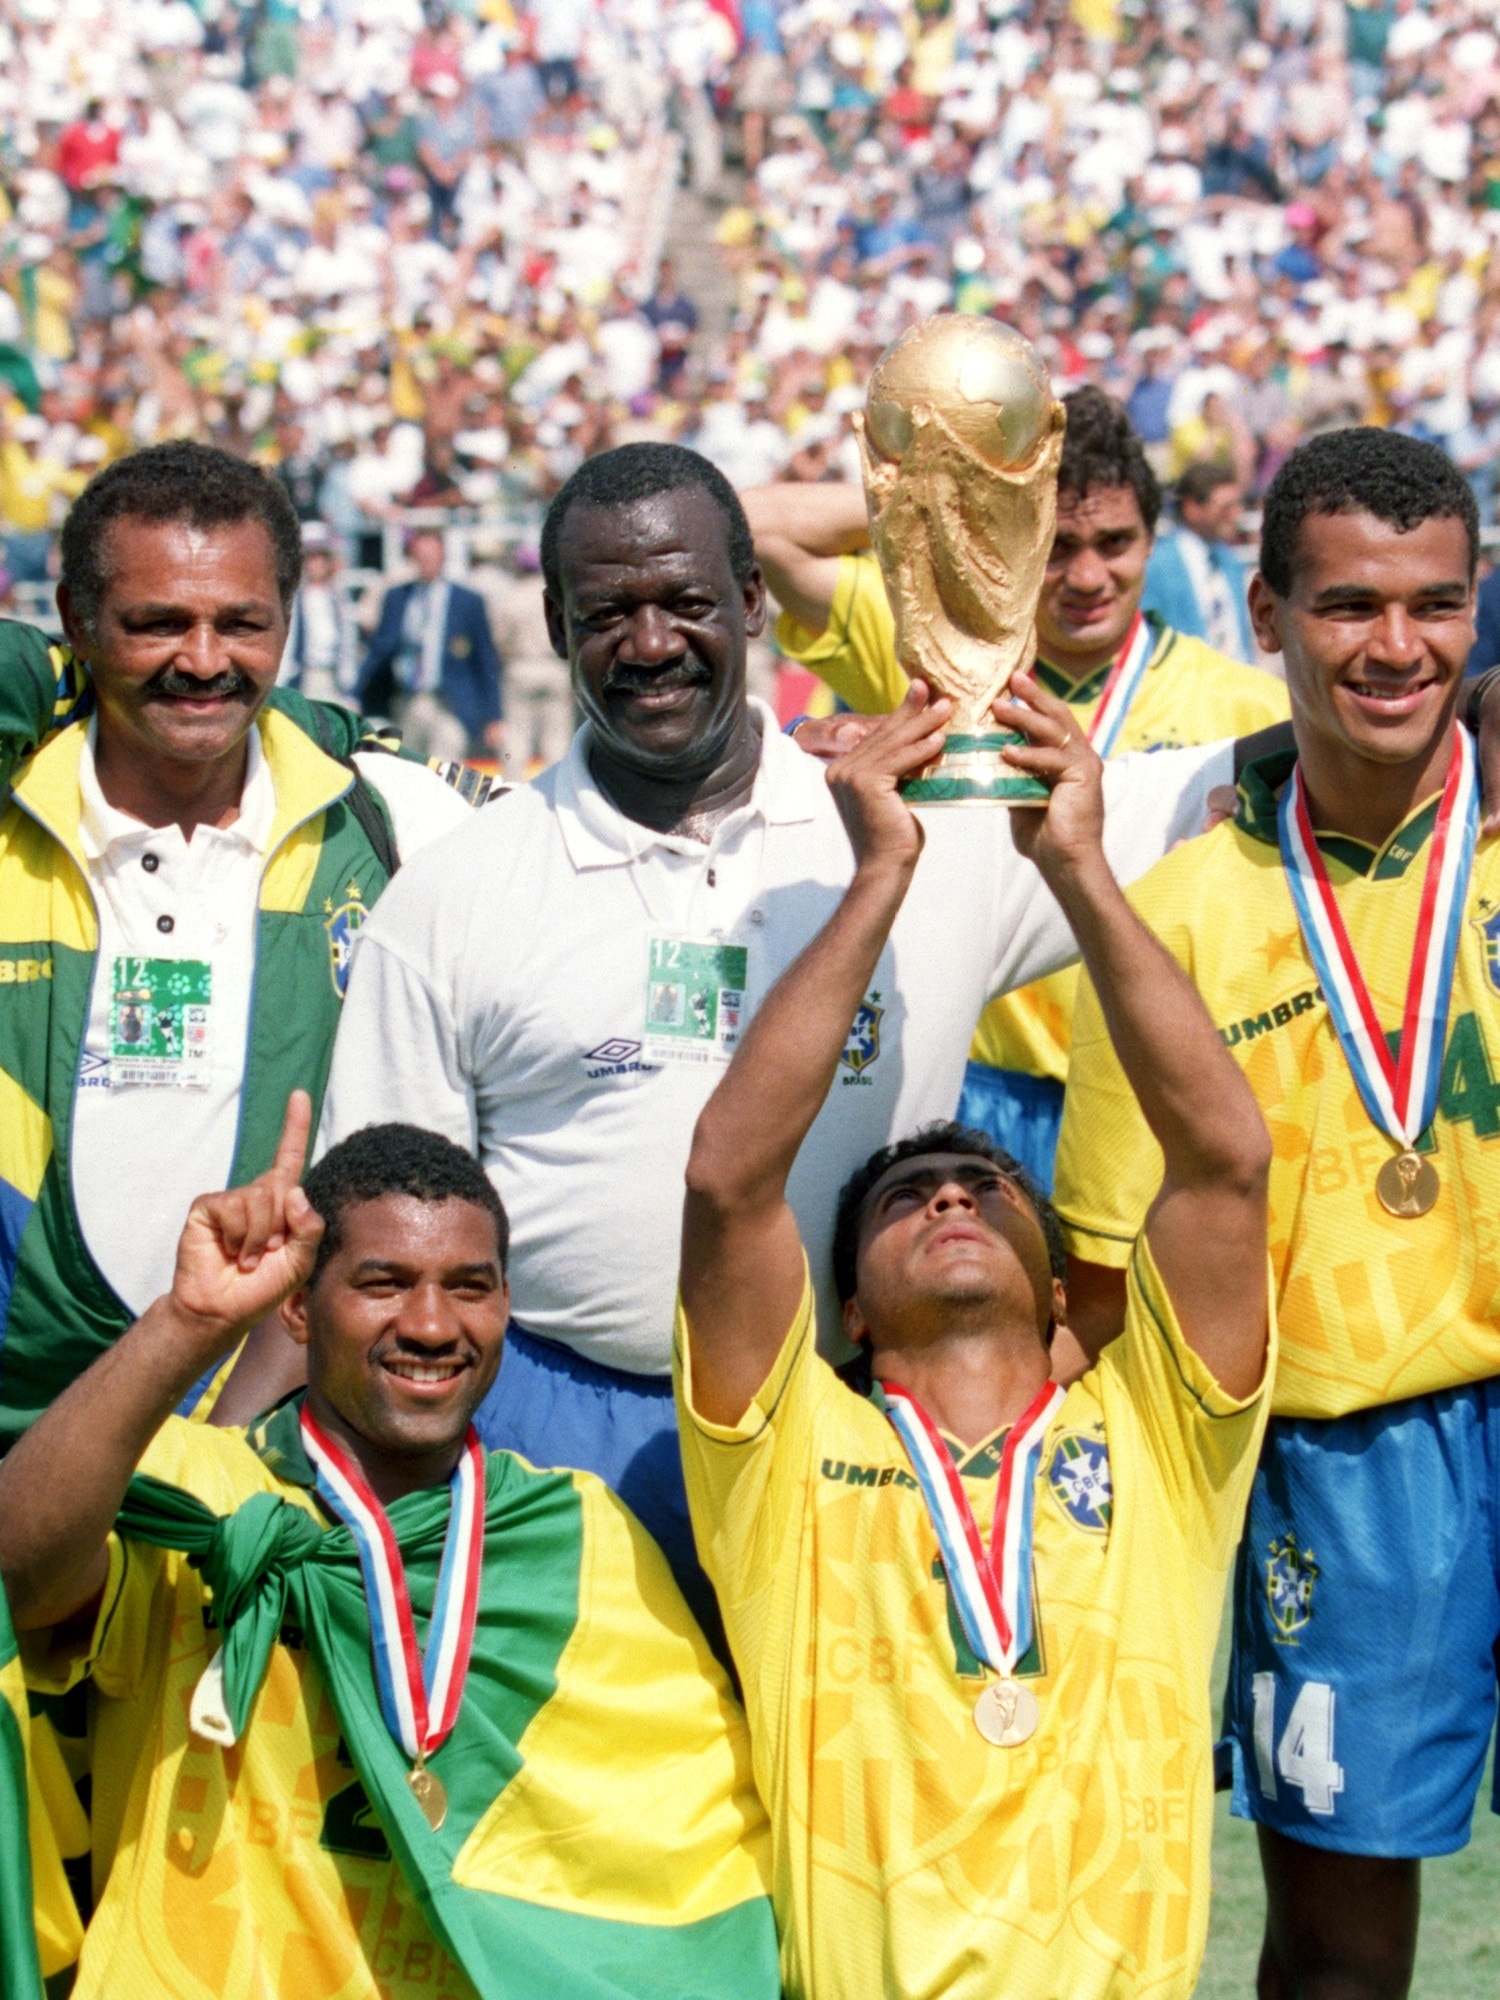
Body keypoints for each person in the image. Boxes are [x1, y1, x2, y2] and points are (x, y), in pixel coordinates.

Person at [315, 441, 1239, 1624]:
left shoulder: (928, 827)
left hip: (855, 1415)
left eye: (689, 601)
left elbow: (1248, 771)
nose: (651, 643)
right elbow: (381, 1232)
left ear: (753, 600)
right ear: (554, 622)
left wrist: (1463, 707)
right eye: (609, 611)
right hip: (560, 1430)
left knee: (843, 1800)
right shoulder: (456, 894)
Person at [673, 673, 1273, 1999]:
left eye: (989, 1190)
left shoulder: (1162, 1442)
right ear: (848, 1314)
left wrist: (1080, 869)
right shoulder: (782, 1457)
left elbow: (1226, 1164)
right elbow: (727, 1181)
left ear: (1065, 1294)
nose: (949, 1192)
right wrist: (882, 872)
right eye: (902, 1197)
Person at [1052, 427, 1500, 1999]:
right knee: (1342, 1953)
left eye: (1437, 605)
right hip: (1345, 1466)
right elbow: (1103, 1284)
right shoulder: (1174, 915)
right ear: (1264, 614)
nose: (1397, 647)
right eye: (1349, 607)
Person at [0, 1099, 779, 1999]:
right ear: (297, 1306)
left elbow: (693, 1837)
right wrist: (186, 1320)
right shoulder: (205, 1494)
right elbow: (18, 1577)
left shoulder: (579, 1526)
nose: (433, 1325)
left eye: (470, 1286)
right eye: (383, 1282)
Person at [0, 441, 477, 1447]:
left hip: (268, 1440)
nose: (206, 659)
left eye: (242, 623)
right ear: (79, 624)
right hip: (20, 1429)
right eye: (159, 622)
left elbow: (601, 833)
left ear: (288, 624)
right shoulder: (11, 821)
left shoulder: (396, 820)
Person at [744, 387, 1288, 1191]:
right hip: (978, 1089)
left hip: (1152, 1090)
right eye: (1055, 544)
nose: (1087, 575)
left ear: (1153, 538)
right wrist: (955, 499)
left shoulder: (1245, 708)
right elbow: (751, 526)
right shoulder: (932, 655)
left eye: (1116, 542)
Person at [358, 527, 505, 763]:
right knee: (409, 770)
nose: (426, 563)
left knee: (446, 771)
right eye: (421, 557)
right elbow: (380, 649)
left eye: (432, 556)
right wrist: (357, 694)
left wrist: (494, 715)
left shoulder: (467, 601)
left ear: (443, 557)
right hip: (408, 701)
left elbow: (485, 659)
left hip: (450, 703)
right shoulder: (397, 597)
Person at [1142, 461, 1257, 664]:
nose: (1237, 514)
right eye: (1226, 507)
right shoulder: (1156, 566)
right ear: (1192, 508)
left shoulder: (1230, 562)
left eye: (1239, 504)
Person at [279, 523, 360, 707]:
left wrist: (349, 688)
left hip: (332, 676)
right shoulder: (293, 598)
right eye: (311, 557)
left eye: (321, 557)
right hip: (303, 677)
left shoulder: (338, 597)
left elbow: (348, 642)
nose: (316, 563)